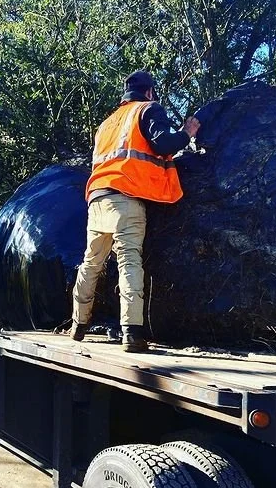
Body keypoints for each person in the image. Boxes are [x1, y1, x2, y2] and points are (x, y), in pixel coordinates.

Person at [71, 70, 200, 353]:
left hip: (96, 197)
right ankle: (132, 332)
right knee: (129, 261)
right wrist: (186, 133)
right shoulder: (148, 109)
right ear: (150, 92)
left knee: (91, 262)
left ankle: (78, 323)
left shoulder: (107, 124)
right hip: (125, 197)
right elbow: (163, 143)